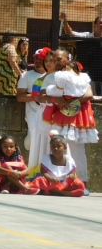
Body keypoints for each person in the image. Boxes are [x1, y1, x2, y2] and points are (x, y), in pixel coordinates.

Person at [42, 60, 97, 188]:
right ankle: (58, 180)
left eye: (68, 68)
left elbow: (89, 94)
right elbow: (44, 95)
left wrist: (71, 102)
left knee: (77, 150)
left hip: (76, 116)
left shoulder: (83, 79)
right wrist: (58, 98)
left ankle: (82, 183)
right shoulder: (59, 79)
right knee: (58, 145)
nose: (66, 70)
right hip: (62, 115)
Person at [28, 48, 65, 170]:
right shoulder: (39, 80)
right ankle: (39, 172)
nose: (48, 63)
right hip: (42, 113)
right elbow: (36, 98)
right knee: (40, 142)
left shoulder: (61, 77)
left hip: (57, 113)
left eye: (52, 60)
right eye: (46, 60)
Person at [17, 48, 47, 150]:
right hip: (33, 114)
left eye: (41, 59)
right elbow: (20, 97)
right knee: (35, 139)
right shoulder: (26, 75)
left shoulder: (53, 76)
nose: (37, 61)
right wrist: (38, 96)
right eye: (36, 58)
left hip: (50, 113)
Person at [0, 31, 23, 96]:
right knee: (8, 96)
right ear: (13, 38)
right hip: (8, 77)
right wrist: (20, 73)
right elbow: (12, 61)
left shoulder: (2, 47)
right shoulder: (11, 47)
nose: (17, 40)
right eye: (16, 38)